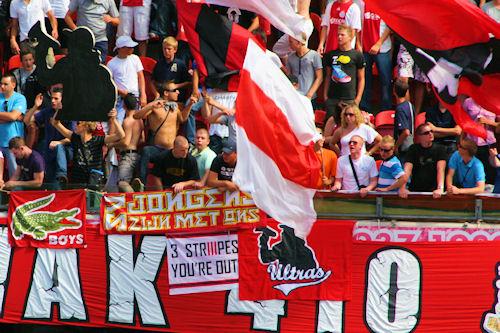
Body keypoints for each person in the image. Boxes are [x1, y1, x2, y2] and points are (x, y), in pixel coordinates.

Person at [134, 81, 196, 185]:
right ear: (166, 93)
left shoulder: (175, 108)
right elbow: (137, 116)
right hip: (157, 149)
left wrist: (190, 104)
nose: (178, 92)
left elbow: (183, 119)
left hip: (171, 151)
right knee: (146, 151)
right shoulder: (155, 107)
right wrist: (151, 106)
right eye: (174, 91)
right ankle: (141, 183)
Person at [51, 109, 125, 186]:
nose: (76, 125)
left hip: (93, 181)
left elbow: (121, 135)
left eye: (78, 123)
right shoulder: (75, 138)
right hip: (77, 180)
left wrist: (114, 119)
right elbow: (55, 123)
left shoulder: (98, 139)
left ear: (85, 126)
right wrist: (59, 109)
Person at [23, 88, 70, 185]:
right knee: (51, 183)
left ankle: (62, 174)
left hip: (66, 151)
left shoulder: (69, 113)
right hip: (49, 152)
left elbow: (72, 137)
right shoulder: (47, 111)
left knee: (59, 147)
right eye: (52, 98)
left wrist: (59, 142)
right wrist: (35, 106)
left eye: (56, 99)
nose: (52, 101)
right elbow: (26, 121)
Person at [323, 25, 365, 123]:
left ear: (350, 37)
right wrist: (325, 96)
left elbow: (362, 78)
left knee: (350, 124)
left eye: (342, 35)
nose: (339, 37)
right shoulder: (331, 54)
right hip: (333, 97)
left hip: (349, 98)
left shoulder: (357, 55)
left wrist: (358, 99)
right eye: (338, 35)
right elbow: (328, 76)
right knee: (330, 124)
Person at [360, 5, 392, 112]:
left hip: (382, 48)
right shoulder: (361, 3)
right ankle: (365, 108)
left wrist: (378, 43)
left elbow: (390, 26)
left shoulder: (385, 4)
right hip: (364, 47)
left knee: (385, 80)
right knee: (364, 78)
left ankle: (385, 110)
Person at [401, 123, 447, 198]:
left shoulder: (440, 149)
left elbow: (440, 170)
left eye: (431, 131)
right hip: (415, 189)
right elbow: (407, 169)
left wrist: (440, 188)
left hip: (433, 191)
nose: (430, 134)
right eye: (426, 133)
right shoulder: (413, 149)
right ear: (419, 136)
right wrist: (402, 188)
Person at [107, 35, 147, 121]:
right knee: (119, 121)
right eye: (129, 47)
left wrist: (143, 94)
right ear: (121, 48)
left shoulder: (135, 59)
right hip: (120, 98)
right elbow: (109, 83)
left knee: (137, 122)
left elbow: (141, 77)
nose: (132, 49)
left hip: (135, 96)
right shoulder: (111, 63)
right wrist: (121, 92)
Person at [109, 93, 144, 193]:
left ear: (124, 106)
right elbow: (142, 140)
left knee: (122, 183)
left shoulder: (127, 121)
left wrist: (112, 145)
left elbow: (125, 142)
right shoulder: (140, 120)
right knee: (130, 182)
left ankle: (134, 195)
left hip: (127, 156)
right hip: (136, 155)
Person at [462, 96, 498, 185]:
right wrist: (462, 140)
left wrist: (488, 122)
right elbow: (462, 121)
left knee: (489, 173)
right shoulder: (468, 102)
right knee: (471, 172)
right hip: (471, 142)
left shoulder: (494, 103)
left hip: (488, 143)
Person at [0, 73, 27, 178]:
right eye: (1, 84)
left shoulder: (20, 98)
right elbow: (13, 117)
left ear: (13, 85)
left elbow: (13, 116)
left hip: (14, 143)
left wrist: (12, 117)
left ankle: (16, 194)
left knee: (15, 175)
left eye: (5, 84)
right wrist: (11, 118)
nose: (2, 86)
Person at [286, 34, 323, 107]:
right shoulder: (290, 57)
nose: (289, 44)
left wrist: (309, 95)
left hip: (310, 97)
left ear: (299, 43)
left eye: (291, 42)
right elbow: (289, 75)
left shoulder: (314, 55)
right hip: (295, 96)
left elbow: (320, 77)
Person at [151, 37, 191, 102]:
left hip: (176, 98)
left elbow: (189, 82)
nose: (166, 51)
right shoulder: (159, 64)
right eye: (164, 49)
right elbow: (152, 81)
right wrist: (156, 94)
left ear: (175, 50)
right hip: (161, 98)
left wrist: (176, 86)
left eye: (169, 49)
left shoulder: (180, 64)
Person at [393, 79, 415, 161]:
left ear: (394, 91)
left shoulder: (400, 109)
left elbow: (405, 132)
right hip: (411, 145)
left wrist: (396, 146)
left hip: (404, 149)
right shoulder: (410, 105)